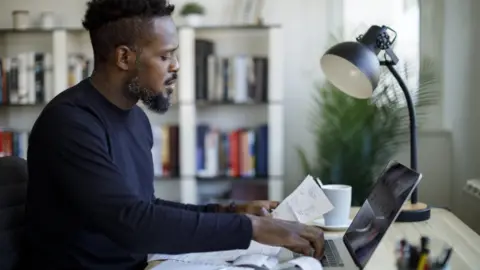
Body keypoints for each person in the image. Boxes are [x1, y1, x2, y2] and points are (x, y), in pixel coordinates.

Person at [24, 0, 325, 269]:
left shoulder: (135, 119)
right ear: (125, 58)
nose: (177, 66)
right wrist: (252, 228)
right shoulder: (70, 123)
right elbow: (133, 224)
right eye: (166, 56)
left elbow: (147, 207)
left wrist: (231, 210)